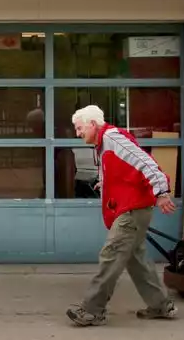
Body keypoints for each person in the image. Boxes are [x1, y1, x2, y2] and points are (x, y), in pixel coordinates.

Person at [66, 104, 178, 327]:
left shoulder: (113, 138)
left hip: (132, 210)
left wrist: (162, 192)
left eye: (80, 129)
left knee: (111, 254)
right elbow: (123, 169)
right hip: (132, 207)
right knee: (136, 260)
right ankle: (160, 305)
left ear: (93, 124)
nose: (78, 134)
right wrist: (105, 183)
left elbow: (145, 162)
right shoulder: (104, 143)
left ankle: (91, 310)